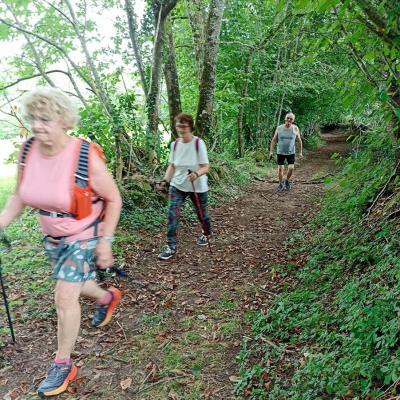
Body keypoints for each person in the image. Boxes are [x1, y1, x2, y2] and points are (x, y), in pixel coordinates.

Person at [0, 88, 122, 398]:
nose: (37, 126)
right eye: (32, 119)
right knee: (77, 284)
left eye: (45, 119)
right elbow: (19, 196)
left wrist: (105, 241)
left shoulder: (83, 154)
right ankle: (106, 298)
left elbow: (113, 197)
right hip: (52, 236)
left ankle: (63, 364)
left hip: (83, 235)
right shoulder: (27, 151)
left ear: (64, 120)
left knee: (64, 296)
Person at [157, 113, 211, 260]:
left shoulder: (198, 143)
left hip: (197, 186)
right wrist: (165, 181)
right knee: (172, 214)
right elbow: (172, 165)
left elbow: (206, 167)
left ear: (190, 127)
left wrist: (196, 174)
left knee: (202, 215)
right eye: (178, 125)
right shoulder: (175, 145)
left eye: (184, 125)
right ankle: (170, 246)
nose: (181, 128)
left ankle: (206, 233)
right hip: (178, 185)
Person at [269, 112, 303, 191]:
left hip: (290, 152)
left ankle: (287, 180)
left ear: (293, 120)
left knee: (291, 168)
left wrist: (300, 152)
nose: (289, 120)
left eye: (291, 119)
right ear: (285, 118)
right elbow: (274, 140)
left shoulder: (295, 128)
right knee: (280, 168)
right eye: (288, 118)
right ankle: (280, 183)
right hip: (280, 151)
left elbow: (299, 140)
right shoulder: (279, 128)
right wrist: (271, 151)